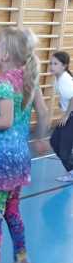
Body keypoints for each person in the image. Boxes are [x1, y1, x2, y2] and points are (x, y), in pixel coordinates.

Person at [0, 27, 48, 263]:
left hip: (2, 161)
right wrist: (39, 138)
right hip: (20, 159)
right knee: (12, 210)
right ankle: (21, 256)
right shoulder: (28, 80)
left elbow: (5, 120)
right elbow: (43, 112)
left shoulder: (3, 83)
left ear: (6, 55)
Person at [47, 51, 73, 182]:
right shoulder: (59, 78)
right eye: (51, 63)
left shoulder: (65, 80)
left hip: (71, 117)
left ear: (64, 66)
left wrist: (66, 115)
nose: (52, 66)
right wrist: (62, 104)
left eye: (55, 64)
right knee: (54, 142)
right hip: (69, 115)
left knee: (64, 149)